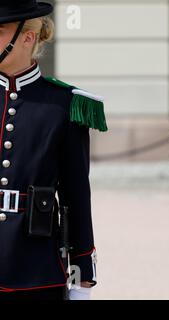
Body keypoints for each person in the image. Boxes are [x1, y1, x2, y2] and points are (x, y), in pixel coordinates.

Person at [0, 0, 108, 300]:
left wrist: (83, 278)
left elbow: (76, 196)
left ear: (27, 38)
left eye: (0, 30)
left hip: (37, 269)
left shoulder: (62, 105)